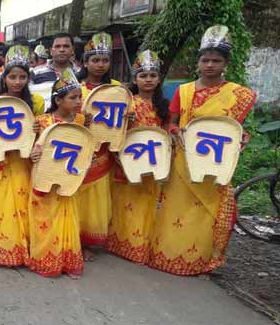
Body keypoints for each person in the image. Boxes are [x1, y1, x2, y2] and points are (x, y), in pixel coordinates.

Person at [148, 25, 256, 275]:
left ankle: (200, 261)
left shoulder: (238, 95)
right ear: (198, 62)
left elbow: (235, 128)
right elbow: (172, 123)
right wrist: (177, 133)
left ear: (225, 63)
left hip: (214, 162)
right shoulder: (183, 91)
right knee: (175, 209)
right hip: (183, 161)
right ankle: (168, 256)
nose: (210, 65)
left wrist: (242, 138)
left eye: (216, 60)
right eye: (205, 60)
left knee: (207, 214)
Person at [0, 45, 45, 267]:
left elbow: (42, 131)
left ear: (28, 78)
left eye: (22, 77)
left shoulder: (35, 102)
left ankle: (19, 248)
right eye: (12, 76)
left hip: (23, 161)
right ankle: (5, 245)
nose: (17, 82)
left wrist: (38, 130)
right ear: (4, 77)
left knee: (21, 204)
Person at [107, 50, 169, 265]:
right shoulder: (127, 102)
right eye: (143, 75)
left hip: (151, 159)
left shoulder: (164, 106)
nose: (148, 79)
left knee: (145, 202)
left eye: (153, 75)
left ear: (159, 78)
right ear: (135, 79)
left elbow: (167, 132)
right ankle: (118, 243)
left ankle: (139, 245)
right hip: (128, 157)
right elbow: (114, 128)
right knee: (123, 201)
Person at [27, 69, 88, 277]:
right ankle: (45, 259)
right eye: (72, 97)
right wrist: (33, 154)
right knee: (43, 219)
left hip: (68, 178)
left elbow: (85, 147)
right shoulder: (42, 121)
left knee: (67, 217)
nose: (78, 101)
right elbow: (31, 147)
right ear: (58, 100)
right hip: (43, 177)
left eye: (79, 97)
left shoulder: (81, 121)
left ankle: (66, 260)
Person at [74, 32, 121, 259]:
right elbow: (61, 115)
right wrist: (81, 119)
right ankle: (73, 239)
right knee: (76, 196)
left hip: (104, 152)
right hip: (78, 150)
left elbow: (122, 119)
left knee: (97, 199)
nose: (100, 64)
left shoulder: (118, 89)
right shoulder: (76, 88)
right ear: (85, 62)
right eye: (95, 59)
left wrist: (127, 120)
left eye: (104, 60)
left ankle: (90, 242)